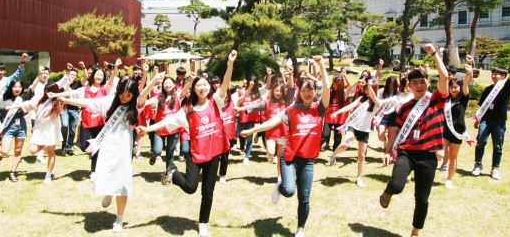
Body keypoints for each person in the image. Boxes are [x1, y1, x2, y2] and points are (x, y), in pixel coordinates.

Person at [137, 50, 237, 237]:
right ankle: (172, 172)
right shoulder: (187, 111)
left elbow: (225, 83)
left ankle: (203, 223)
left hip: (214, 153)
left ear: (209, 87)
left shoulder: (216, 101)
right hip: (196, 154)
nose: (202, 87)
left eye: (205, 84)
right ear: (194, 89)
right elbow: (166, 122)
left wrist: (230, 64)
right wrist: (147, 129)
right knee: (191, 187)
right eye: (198, 85)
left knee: (208, 192)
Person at [240, 55, 329, 237]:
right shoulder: (291, 110)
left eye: (310, 90)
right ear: (299, 92)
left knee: (304, 198)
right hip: (289, 158)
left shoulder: (319, 109)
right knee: (288, 191)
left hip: (308, 161)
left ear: (314, 93)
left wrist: (321, 66)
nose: (307, 93)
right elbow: (272, 122)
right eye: (304, 89)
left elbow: (326, 88)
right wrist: (252, 130)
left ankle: (300, 229)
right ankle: (280, 186)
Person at [59, 77, 151, 232]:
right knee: (106, 175)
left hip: (123, 150)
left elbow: (143, 96)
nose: (124, 97)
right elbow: (86, 102)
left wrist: (154, 79)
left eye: (128, 95)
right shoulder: (108, 102)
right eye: (122, 94)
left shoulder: (135, 106)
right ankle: (109, 193)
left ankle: (119, 218)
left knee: (122, 182)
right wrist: (65, 99)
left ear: (133, 96)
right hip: (107, 148)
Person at [379, 43, 449, 237]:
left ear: (427, 83)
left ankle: (415, 231)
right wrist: (387, 151)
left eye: (422, 82)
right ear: (409, 86)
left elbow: (445, 77)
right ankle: (388, 192)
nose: (419, 86)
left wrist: (434, 54)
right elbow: (395, 133)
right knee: (397, 185)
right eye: (415, 83)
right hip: (407, 153)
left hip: (428, 156)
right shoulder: (404, 108)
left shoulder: (436, 100)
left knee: (423, 199)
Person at [327, 75, 380, 188]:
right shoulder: (361, 99)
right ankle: (333, 155)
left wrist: (369, 85)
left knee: (361, 156)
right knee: (347, 142)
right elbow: (350, 106)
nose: (365, 90)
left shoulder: (377, 102)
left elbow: (374, 96)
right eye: (365, 88)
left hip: (364, 130)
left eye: (367, 89)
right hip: (353, 126)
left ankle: (359, 177)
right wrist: (337, 112)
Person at [472, 53, 510, 180]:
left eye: (496, 73)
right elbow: (481, 107)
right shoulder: (487, 89)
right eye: (492, 73)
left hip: (499, 121)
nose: (493, 75)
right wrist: (477, 120)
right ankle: (478, 164)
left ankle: (495, 168)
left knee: (498, 145)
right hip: (485, 120)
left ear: (503, 76)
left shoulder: (506, 87)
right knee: (481, 141)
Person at [10, 81, 66, 184]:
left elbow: (64, 101)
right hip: (40, 129)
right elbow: (28, 104)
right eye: (46, 90)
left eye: (50, 91)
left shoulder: (58, 101)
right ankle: (44, 145)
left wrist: (59, 97)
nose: (47, 93)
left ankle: (48, 174)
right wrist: (13, 107)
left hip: (51, 130)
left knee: (50, 153)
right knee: (32, 150)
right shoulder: (40, 99)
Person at [438, 56, 474, 189]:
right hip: (445, 130)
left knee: (453, 157)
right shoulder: (446, 98)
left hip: (457, 132)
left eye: (456, 87)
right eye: (452, 87)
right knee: (440, 153)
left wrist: (469, 71)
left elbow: (466, 84)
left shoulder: (463, 98)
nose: (454, 89)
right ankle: (432, 170)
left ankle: (449, 179)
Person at [321, 70, 351, 151]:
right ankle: (322, 144)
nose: (334, 85)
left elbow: (350, 86)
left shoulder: (344, 92)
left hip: (340, 118)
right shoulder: (329, 91)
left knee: (337, 137)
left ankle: (334, 154)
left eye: (336, 84)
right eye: (333, 83)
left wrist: (344, 76)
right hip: (329, 117)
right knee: (325, 134)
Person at [60, 65, 83, 156]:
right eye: (71, 74)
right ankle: (63, 143)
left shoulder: (78, 84)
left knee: (73, 130)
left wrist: (84, 67)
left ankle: (69, 147)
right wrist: (68, 83)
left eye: (74, 75)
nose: (72, 76)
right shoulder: (63, 83)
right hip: (64, 108)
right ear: (68, 74)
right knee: (65, 125)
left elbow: (85, 78)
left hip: (74, 109)